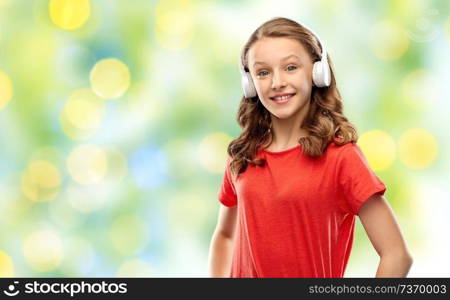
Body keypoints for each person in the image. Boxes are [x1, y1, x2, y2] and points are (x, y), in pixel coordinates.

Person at [208, 17, 413, 278]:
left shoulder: (341, 158)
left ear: (318, 72)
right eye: (263, 72)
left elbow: (396, 255)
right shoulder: (242, 155)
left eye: (291, 67)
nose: (277, 82)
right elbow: (225, 236)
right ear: (249, 83)